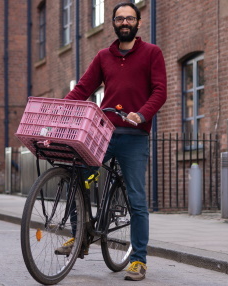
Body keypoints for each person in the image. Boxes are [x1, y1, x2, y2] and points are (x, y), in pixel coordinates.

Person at [61, 2, 167, 281]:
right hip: (104, 132)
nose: (124, 22)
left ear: (138, 23)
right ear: (113, 22)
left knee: (137, 199)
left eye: (129, 18)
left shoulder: (152, 53)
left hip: (134, 136)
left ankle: (138, 260)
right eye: (119, 18)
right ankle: (80, 235)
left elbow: (160, 91)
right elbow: (83, 88)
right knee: (76, 172)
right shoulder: (103, 56)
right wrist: (61, 110)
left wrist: (142, 115)